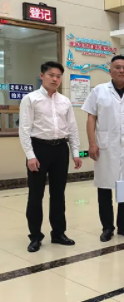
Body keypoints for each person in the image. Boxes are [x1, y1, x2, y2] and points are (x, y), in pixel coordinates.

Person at [19, 62, 82, 252]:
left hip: (60, 149)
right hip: (39, 149)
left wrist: (75, 152)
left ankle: (58, 233)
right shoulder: (30, 99)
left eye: (58, 76)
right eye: (51, 75)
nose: (55, 79)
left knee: (58, 194)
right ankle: (35, 236)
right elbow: (24, 129)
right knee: (35, 195)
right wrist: (30, 156)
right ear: (42, 76)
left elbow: (72, 128)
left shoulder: (65, 101)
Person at [82, 55, 124, 242]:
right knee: (104, 187)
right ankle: (107, 227)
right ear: (110, 71)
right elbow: (91, 118)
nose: (121, 71)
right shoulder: (99, 91)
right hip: (105, 147)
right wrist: (92, 143)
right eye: (117, 67)